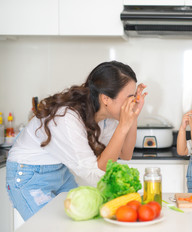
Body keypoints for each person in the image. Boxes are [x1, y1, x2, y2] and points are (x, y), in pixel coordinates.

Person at [6, 60, 147, 220]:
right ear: (106, 99)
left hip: (60, 172)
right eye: (129, 97)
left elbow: (125, 154)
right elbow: (95, 174)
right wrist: (123, 126)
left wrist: (133, 116)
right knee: (47, 230)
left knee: (79, 225)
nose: (132, 101)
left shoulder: (106, 119)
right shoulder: (67, 118)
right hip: (28, 175)